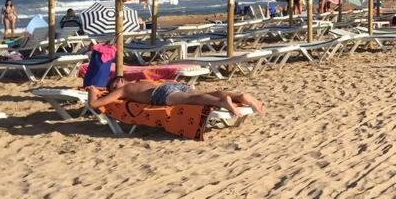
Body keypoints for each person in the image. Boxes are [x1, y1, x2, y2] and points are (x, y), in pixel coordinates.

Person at [87, 76, 265, 116]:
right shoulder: (140, 81)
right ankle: (238, 96)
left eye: (113, 84)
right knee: (203, 94)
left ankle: (222, 102)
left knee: (191, 100)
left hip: (160, 93)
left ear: (121, 82)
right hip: (168, 85)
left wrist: (92, 91)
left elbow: (94, 105)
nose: (112, 88)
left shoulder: (123, 90)